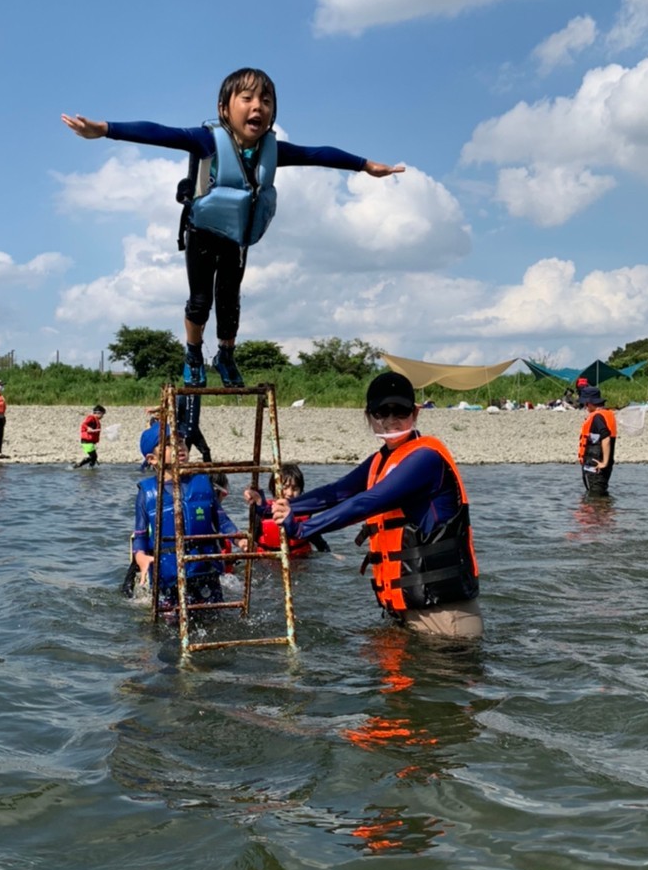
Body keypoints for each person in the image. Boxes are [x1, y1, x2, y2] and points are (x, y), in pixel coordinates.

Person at [62, 68, 404, 388]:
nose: (258, 107)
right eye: (248, 99)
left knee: (229, 301)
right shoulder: (207, 140)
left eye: (266, 101)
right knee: (200, 301)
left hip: (236, 238)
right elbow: (158, 133)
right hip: (201, 232)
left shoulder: (271, 151)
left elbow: (316, 153)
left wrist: (364, 165)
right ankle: (193, 355)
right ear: (224, 109)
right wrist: (105, 129)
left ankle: (225, 356)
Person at [271, 372, 482, 641]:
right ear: (369, 416)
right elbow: (336, 493)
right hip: (406, 611)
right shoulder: (381, 460)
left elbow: (367, 502)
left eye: (400, 410)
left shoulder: (425, 459)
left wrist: (303, 530)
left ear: (415, 413)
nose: (391, 419)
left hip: (445, 618)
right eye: (382, 411)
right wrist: (272, 507)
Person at [127, 424, 227, 610]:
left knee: (213, 618)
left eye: (181, 441)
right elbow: (140, 534)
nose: (179, 446)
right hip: (168, 575)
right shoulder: (147, 493)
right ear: (152, 459)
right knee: (169, 624)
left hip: (205, 570)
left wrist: (241, 540)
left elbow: (221, 520)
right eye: (170, 444)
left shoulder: (203, 482)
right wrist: (140, 556)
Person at [244, 464, 330, 556]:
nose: (289, 493)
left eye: (295, 488)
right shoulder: (262, 511)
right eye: (285, 488)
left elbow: (317, 539)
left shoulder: (304, 512)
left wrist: (330, 554)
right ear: (274, 488)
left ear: (301, 490)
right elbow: (252, 538)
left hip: (300, 560)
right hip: (268, 560)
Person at [578, 384, 617, 495]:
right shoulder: (605, 415)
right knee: (598, 497)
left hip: (597, 466)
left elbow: (606, 438)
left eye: (585, 403)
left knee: (596, 497)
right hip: (598, 465)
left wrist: (604, 463)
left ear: (590, 403)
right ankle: (603, 511)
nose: (585, 406)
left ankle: (602, 511)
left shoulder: (597, 417)